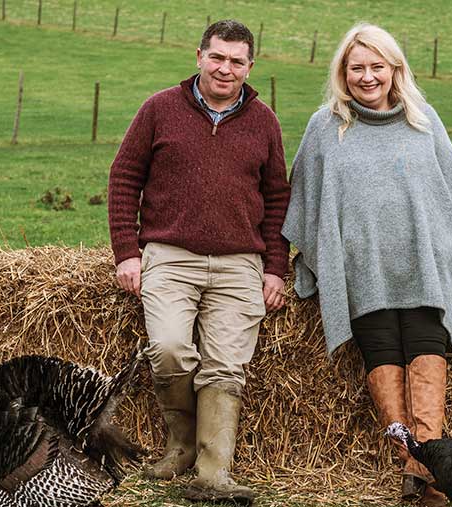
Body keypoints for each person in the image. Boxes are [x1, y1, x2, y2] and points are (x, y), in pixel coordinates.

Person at [282, 23, 452, 507]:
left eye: (377, 67)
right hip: (362, 268)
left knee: (424, 345)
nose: (367, 77)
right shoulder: (324, 126)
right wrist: (322, 259)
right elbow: (307, 199)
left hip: (423, 263)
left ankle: (426, 474)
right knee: (381, 353)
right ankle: (412, 464)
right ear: (343, 72)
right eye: (357, 68)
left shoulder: (423, 119)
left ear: (395, 70)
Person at [108, 19, 290, 503]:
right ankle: (180, 448)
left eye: (236, 61)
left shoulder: (264, 121)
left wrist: (275, 267)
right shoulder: (160, 109)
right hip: (170, 254)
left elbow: (277, 198)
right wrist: (127, 253)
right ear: (199, 56)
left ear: (251, 66)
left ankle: (214, 472)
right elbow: (125, 178)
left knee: (225, 367)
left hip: (239, 263)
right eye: (217, 57)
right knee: (168, 348)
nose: (225, 68)